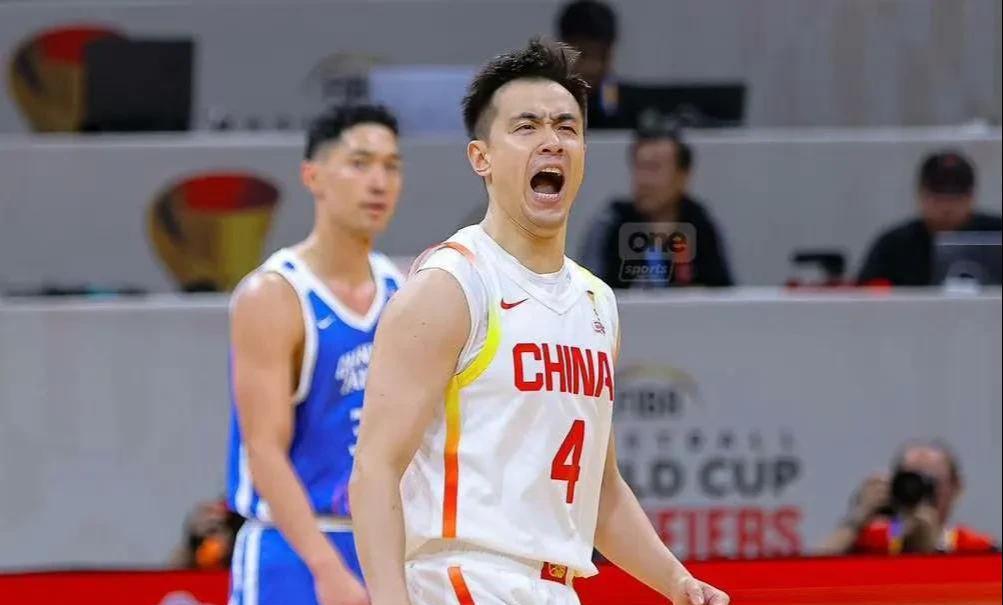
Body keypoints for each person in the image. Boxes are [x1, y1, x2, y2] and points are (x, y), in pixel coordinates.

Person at [350, 39, 728, 605]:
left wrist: (678, 583)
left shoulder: (596, 302)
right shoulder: (451, 287)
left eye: (566, 127)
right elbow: (375, 469)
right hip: (466, 579)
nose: (551, 140)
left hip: (556, 586)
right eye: (526, 127)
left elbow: (602, 493)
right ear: (481, 157)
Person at [226, 104, 404, 605]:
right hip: (295, 548)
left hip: (383, 542)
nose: (379, 182)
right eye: (360, 163)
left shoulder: (403, 290)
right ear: (313, 176)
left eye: (391, 166)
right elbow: (263, 450)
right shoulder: (273, 295)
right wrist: (326, 569)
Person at [579, 127, 733, 288]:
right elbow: (589, 291)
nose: (644, 180)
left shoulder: (698, 225)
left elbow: (722, 293)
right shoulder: (611, 223)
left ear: (682, 176)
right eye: (639, 167)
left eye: (654, 168)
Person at [817, 440, 997, 555]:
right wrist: (857, 519)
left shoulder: (975, 547)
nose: (915, 490)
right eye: (909, 479)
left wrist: (931, 547)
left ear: (955, 487)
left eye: (930, 482)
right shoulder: (876, 539)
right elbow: (812, 574)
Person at [858, 150, 1002, 286]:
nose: (947, 207)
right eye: (937, 196)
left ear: (972, 196)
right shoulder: (893, 245)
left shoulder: (997, 233)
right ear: (920, 194)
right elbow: (865, 295)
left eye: (956, 196)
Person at [555, 0, 627, 129]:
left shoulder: (622, 104)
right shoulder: (541, 103)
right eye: (583, 56)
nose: (593, 68)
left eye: (603, 57)